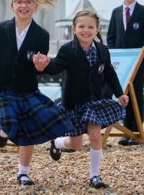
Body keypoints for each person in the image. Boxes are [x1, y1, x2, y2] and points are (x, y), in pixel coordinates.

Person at [0, 0, 72, 186]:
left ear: (35, 6)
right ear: (12, 5)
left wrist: (41, 65)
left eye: (28, 2)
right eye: (19, 1)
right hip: (3, 88)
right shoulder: (2, 29)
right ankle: (1, 131)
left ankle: (23, 173)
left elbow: (40, 67)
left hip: (28, 89)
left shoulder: (41, 35)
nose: (23, 6)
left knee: (43, 125)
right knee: (10, 125)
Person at [33, 10, 129, 189]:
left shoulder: (102, 50)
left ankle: (95, 176)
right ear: (74, 29)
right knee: (75, 144)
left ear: (97, 29)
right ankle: (56, 141)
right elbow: (55, 67)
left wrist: (120, 93)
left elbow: (109, 73)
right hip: (73, 103)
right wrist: (42, 66)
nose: (86, 30)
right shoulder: (68, 50)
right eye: (82, 26)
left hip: (94, 102)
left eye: (91, 27)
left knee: (94, 136)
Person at [106, 0, 144, 146]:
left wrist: (139, 55)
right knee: (122, 94)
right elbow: (111, 37)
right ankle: (126, 132)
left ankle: (137, 132)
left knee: (137, 95)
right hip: (120, 63)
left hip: (138, 62)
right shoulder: (116, 12)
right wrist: (112, 56)